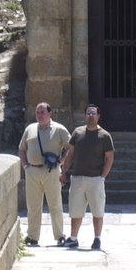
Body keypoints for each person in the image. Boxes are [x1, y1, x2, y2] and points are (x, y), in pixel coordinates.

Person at [59, 103, 114, 250]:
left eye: (93, 113)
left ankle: (97, 238)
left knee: (97, 210)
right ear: (85, 116)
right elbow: (70, 154)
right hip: (77, 177)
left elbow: (109, 158)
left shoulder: (105, 136)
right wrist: (64, 172)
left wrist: (103, 176)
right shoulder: (77, 133)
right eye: (88, 113)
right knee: (75, 210)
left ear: (98, 116)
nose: (91, 116)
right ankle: (73, 238)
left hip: (95, 178)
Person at [18, 102, 71, 246]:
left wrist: (62, 161)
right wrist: (25, 166)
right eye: (37, 112)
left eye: (42, 112)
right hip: (32, 171)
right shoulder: (30, 129)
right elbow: (22, 149)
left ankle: (60, 235)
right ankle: (32, 237)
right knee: (33, 206)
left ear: (50, 113)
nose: (39, 115)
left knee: (55, 205)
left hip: (51, 171)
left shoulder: (59, 129)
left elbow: (71, 147)